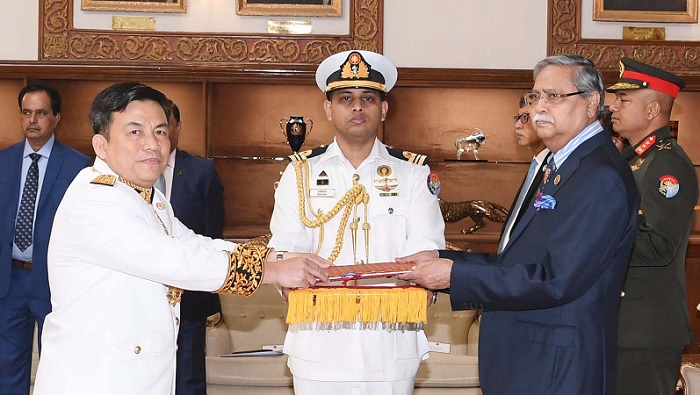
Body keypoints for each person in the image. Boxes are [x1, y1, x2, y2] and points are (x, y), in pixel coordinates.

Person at [33, 82, 330, 394]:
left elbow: (195, 243)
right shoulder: (95, 199)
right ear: (101, 145)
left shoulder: (149, 198)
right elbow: (175, 260)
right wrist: (273, 272)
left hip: (140, 377)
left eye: (160, 131)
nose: (152, 144)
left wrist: (277, 256)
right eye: (135, 132)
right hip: (96, 379)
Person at [398, 54, 640, 394]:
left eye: (554, 96)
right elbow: (517, 263)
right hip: (531, 362)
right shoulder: (558, 166)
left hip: (559, 369)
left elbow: (556, 280)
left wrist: (455, 275)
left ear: (592, 103)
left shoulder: (599, 176)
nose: (539, 107)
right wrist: (443, 259)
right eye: (535, 96)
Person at [268, 50, 445, 394]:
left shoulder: (412, 173)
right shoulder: (299, 173)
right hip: (319, 342)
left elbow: (426, 250)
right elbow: (285, 249)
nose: (357, 107)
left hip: (390, 342)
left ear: (384, 109)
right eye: (345, 98)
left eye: (368, 98)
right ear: (328, 108)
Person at [607, 57, 698, 395]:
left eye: (623, 99)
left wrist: (597, 241)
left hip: (645, 330)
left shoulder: (666, 163)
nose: (613, 106)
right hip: (624, 325)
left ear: (651, 111)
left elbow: (659, 244)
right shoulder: (635, 160)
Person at [0, 84, 90, 394]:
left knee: (56, 364)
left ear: (56, 118)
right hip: (9, 281)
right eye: (26, 113)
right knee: (7, 365)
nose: (32, 120)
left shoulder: (78, 166)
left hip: (54, 280)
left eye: (40, 113)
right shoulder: (3, 161)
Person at [160, 102, 225, 395]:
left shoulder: (202, 170)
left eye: (163, 127)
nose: (157, 135)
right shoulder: (131, 169)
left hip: (189, 296)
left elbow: (212, 231)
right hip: (142, 292)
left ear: (177, 127)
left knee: (188, 376)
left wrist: (211, 295)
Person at [497, 95, 549, 253]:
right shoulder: (536, 165)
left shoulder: (555, 169)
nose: (518, 125)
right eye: (518, 118)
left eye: (526, 117)